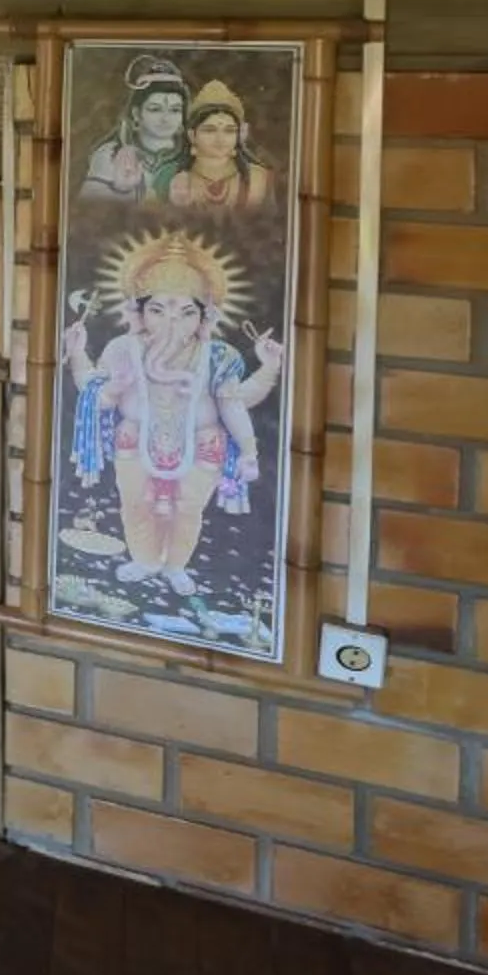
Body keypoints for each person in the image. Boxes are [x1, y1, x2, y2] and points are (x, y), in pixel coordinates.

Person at [63, 233, 284, 597]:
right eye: (158, 310)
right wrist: (81, 357)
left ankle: (176, 565)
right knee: (134, 503)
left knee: (189, 509)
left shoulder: (218, 356)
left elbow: (236, 401)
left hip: (202, 444)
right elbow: (93, 392)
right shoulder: (123, 349)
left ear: (202, 317)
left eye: (186, 312)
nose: (171, 323)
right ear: (139, 312)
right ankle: (146, 559)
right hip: (135, 439)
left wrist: (268, 373)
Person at [78, 55, 189, 203]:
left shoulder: (194, 157)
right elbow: (88, 213)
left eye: (175, 110)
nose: (166, 118)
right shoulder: (109, 155)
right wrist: (120, 190)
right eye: (155, 109)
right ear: (136, 114)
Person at [166, 79, 276, 214]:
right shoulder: (171, 178)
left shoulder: (259, 179)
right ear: (192, 135)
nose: (220, 139)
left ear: (239, 135)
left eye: (229, 130)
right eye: (209, 130)